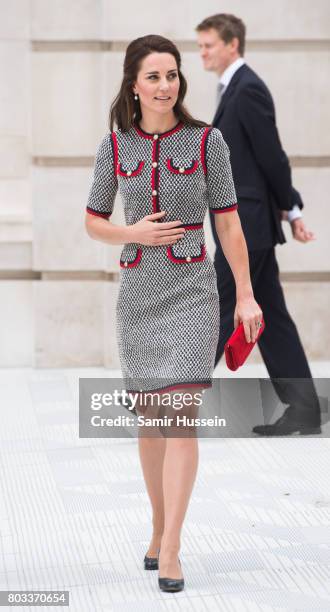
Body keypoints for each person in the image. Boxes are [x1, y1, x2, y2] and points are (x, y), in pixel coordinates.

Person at [85, 34, 262, 592]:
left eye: (172, 75)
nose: (166, 86)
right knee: (150, 421)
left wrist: (246, 294)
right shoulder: (114, 148)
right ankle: (158, 529)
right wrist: (129, 231)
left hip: (192, 291)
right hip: (138, 292)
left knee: (180, 418)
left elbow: (229, 223)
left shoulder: (208, 142)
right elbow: (93, 220)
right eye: (154, 77)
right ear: (133, 86)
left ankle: (174, 550)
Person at [196, 14, 321, 436]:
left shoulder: (246, 89)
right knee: (270, 315)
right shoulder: (235, 89)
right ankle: (304, 407)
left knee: (215, 309)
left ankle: (163, 397)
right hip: (249, 225)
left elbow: (271, 156)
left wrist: (293, 207)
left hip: (246, 228)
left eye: (208, 45)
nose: (203, 53)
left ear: (232, 45)